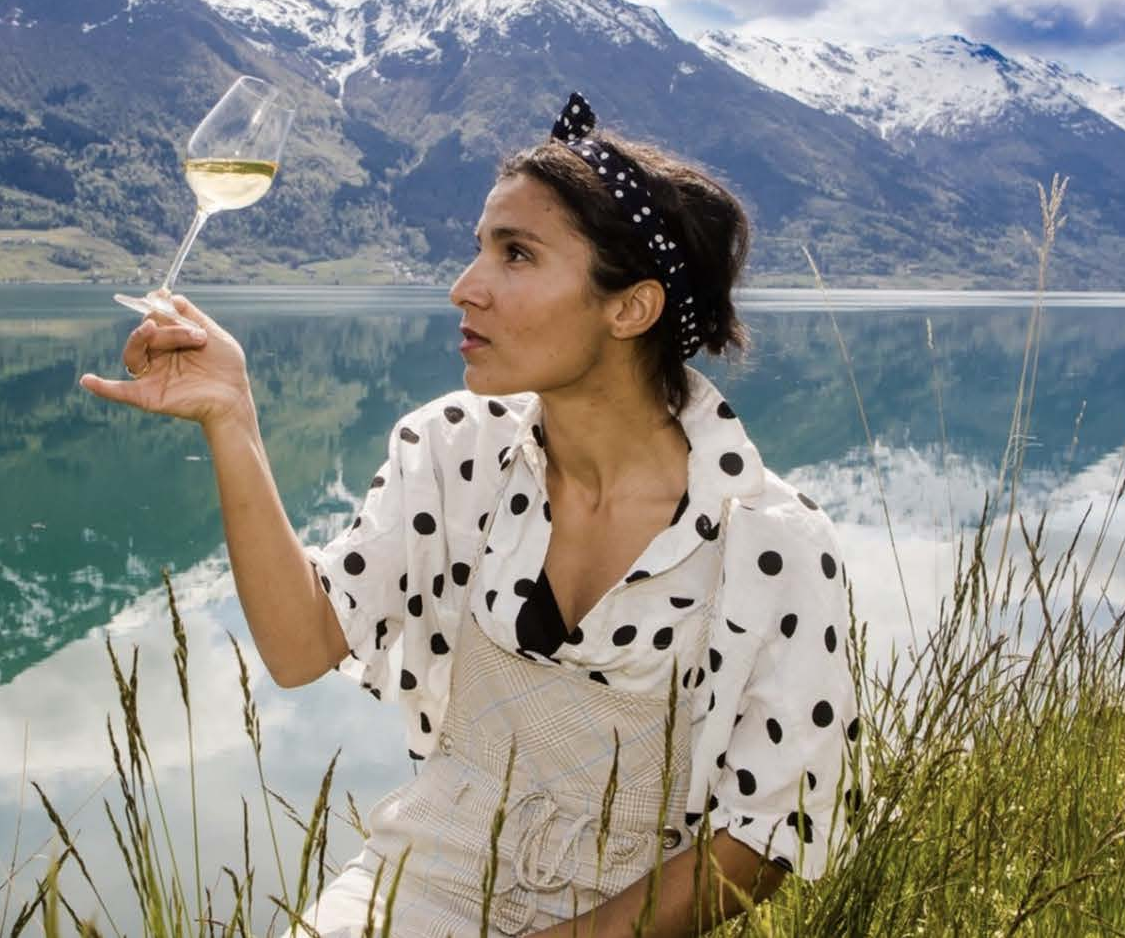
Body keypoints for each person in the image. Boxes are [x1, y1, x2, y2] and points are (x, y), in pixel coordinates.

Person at [79, 93, 865, 938]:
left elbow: (758, 842)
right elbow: (300, 644)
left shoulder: (772, 545)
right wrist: (232, 418)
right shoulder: (454, 452)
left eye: (516, 254)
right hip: (414, 883)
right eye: (478, 249)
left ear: (630, 307)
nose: (464, 288)